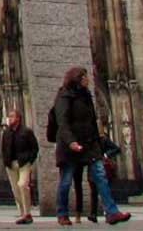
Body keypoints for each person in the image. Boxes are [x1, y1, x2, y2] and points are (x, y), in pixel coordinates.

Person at [54, 67, 131, 226]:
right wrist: (71, 142)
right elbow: (62, 122)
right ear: (76, 78)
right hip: (70, 146)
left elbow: (92, 122)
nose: (87, 79)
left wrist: (99, 146)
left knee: (100, 176)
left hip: (89, 145)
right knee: (66, 181)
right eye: (84, 77)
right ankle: (62, 213)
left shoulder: (86, 95)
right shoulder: (64, 96)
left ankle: (111, 212)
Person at [1, 109, 38, 225]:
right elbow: (3, 148)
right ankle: (23, 213)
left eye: (12, 116)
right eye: (8, 117)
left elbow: (35, 148)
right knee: (15, 190)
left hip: (23, 163)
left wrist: (29, 160)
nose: (9, 118)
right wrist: (5, 161)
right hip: (10, 164)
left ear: (18, 118)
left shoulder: (26, 131)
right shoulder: (6, 133)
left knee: (22, 185)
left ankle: (27, 213)